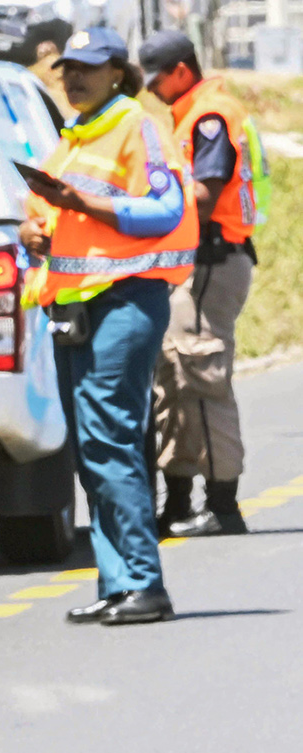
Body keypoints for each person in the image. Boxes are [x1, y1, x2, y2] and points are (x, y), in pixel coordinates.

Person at [19, 27, 197, 625]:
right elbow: (52, 218)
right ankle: (117, 582)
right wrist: (36, 231)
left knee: (109, 439)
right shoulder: (71, 140)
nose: (75, 78)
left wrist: (80, 206)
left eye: (90, 68)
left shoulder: (135, 126)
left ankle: (146, 583)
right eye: (69, 68)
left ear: (119, 72)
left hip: (127, 299)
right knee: (92, 448)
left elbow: (165, 210)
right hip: (77, 307)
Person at [140, 29, 266, 537]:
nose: (152, 90)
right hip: (199, 260)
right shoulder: (192, 112)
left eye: (157, 79)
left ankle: (222, 506)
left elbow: (206, 194)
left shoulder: (210, 114)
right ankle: (180, 502)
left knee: (202, 374)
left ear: (181, 71)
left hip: (213, 256)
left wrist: (139, 217)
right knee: (177, 378)